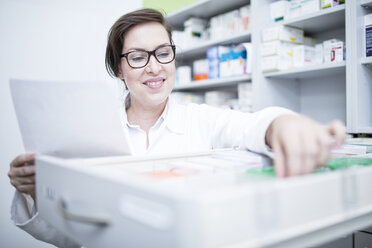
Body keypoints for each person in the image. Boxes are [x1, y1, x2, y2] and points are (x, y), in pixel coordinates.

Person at [8, 8, 346, 248]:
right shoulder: (89, 133)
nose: (155, 67)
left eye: (163, 52)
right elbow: (72, 235)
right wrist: (39, 190)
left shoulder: (200, 119)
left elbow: (252, 124)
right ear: (118, 69)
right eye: (138, 57)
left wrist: (284, 123)